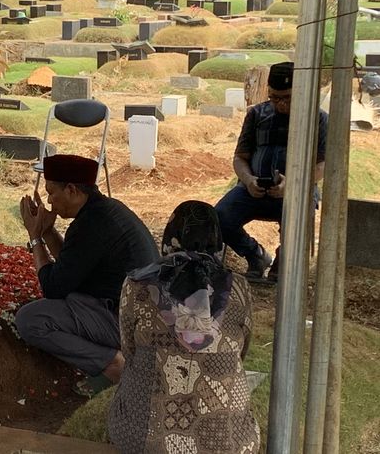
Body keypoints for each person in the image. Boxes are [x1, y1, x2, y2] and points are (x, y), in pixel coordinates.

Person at [108, 200, 260, 453]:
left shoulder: (136, 284)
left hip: (142, 439)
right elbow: (241, 352)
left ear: (170, 237)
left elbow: (130, 350)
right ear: (217, 241)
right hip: (227, 444)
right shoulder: (239, 288)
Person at [15, 154, 159, 393]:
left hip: (128, 324)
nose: (49, 201)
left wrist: (35, 237)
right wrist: (49, 232)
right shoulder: (104, 211)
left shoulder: (93, 224)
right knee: (63, 301)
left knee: (30, 320)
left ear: (71, 189)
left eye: (52, 193)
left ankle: (112, 363)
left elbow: (52, 287)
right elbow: (70, 268)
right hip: (138, 317)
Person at [215, 62, 327, 282]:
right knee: (219, 217)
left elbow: (323, 164)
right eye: (274, 97)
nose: (280, 104)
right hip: (252, 190)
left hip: (297, 192)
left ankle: (283, 260)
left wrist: (294, 185)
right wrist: (248, 180)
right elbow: (240, 157)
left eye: (287, 98)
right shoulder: (256, 114)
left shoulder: (318, 119)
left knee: (301, 220)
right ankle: (255, 254)